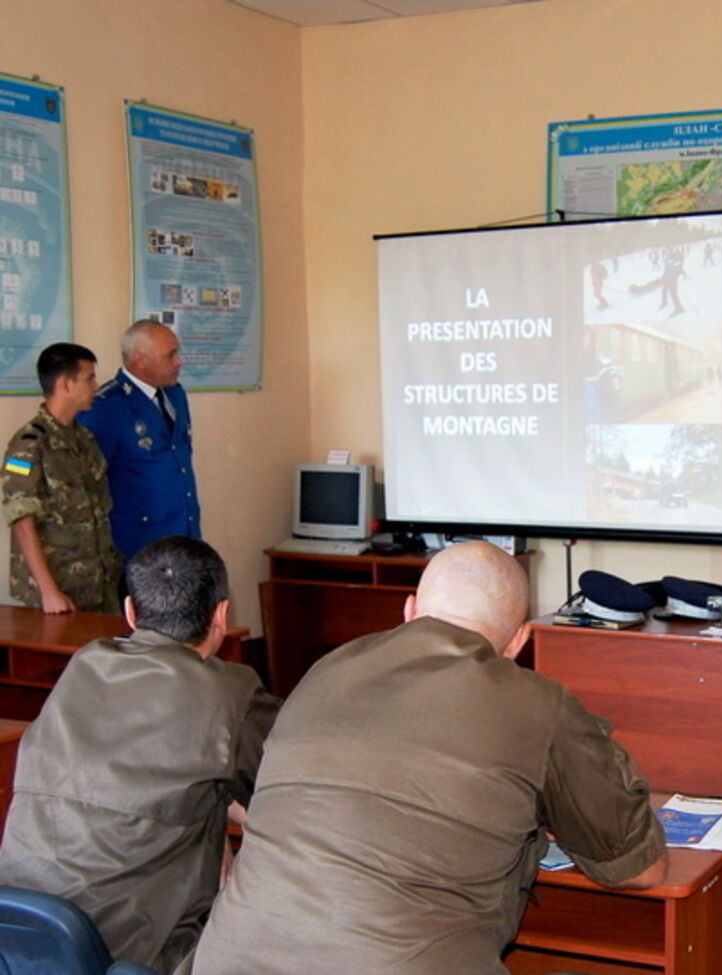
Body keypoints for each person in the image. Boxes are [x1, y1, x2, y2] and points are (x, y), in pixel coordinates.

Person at [186, 540, 666, 975]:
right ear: (520, 639)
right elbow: (637, 866)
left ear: (410, 609)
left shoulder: (325, 672)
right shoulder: (538, 705)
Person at [0, 536, 280, 970]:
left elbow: (139, 783)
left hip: (23, 942)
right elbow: (293, 791)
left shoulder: (87, 664)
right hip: (131, 956)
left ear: (130, 612)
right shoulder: (229, 693)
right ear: (222, 615)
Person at [1, 342, 119, 613]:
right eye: (89, 378)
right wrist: (48, 590)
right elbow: (21, 519)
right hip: (58, 591)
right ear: (66, 384)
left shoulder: (85, 439)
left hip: (98, 584)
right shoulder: (29, 444)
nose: (96, 386)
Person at [79, 319, 200, 562]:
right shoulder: (106, 407)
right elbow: (88, 482)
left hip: (183, 536)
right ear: (140, 360)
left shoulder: (175, 394)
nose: (179, 361)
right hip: (140, 547)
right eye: (171, 355)